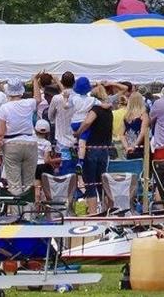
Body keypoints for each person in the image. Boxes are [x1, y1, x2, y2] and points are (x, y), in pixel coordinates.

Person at [0, 77, 40, 196]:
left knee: (14, 184)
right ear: (21, 91)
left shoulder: (4, 108)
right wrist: (35, 81)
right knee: (29, 184)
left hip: (12, 144)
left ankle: (17, 212)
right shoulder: (29, 103)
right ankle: (28, 213)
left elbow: (0, 133)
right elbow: (38, 98)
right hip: (30, 142)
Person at [74, 85, 113, 213]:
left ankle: (93, 213)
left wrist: (79, 131)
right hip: (104, 149)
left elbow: (87, 122)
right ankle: (107, 210)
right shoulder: (109, 112)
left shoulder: (95, 109)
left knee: (90, 182)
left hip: (92, 149)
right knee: (102, 182)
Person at [46, 73, 79, 174]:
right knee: (76, 166)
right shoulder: (79, 98)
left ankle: (67, 185)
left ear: (62, 82)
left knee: (65, 165)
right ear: (74, 83)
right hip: (77, 137)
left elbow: (50, 116)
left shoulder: (57, 98)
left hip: (62, 138)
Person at [121, 85, 148, 159]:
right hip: (139, 148)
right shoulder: (143, 115)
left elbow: (122, 134)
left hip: (127, 148)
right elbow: (142, 133)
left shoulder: (126, 116)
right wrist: (134, 146)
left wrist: (126, 147)